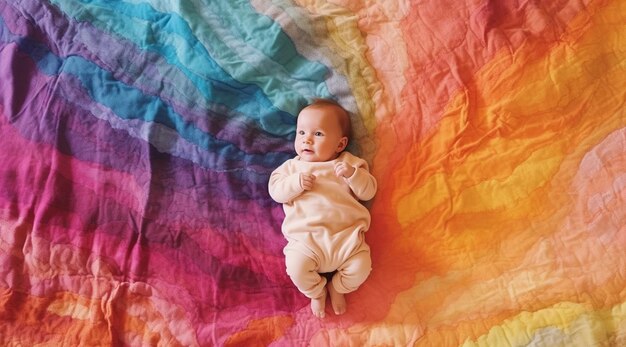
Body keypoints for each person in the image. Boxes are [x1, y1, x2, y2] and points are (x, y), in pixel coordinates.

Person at [268, 99, 377, 318]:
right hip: (306, 241)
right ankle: (316, 292)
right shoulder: (292, 167)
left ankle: (338, 288)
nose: (306, 139)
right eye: (301, 133)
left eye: (318, 134)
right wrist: (295, 183)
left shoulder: (349, 163)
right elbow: (276, 191)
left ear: (340, 144)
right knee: (297, 268)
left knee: (361, 268)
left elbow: (369, 191)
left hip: (347, 240)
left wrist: (352, 175)